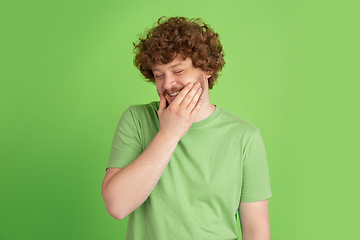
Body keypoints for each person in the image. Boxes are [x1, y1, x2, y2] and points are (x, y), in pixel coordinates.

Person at [101, 16, 272, 240]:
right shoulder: (137, 119)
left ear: (207, 69)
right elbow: (117, 205)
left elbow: (255, 232)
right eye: (159, 75)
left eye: (178, 71)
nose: (168, 84)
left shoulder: (245, 137)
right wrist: (169, 134)